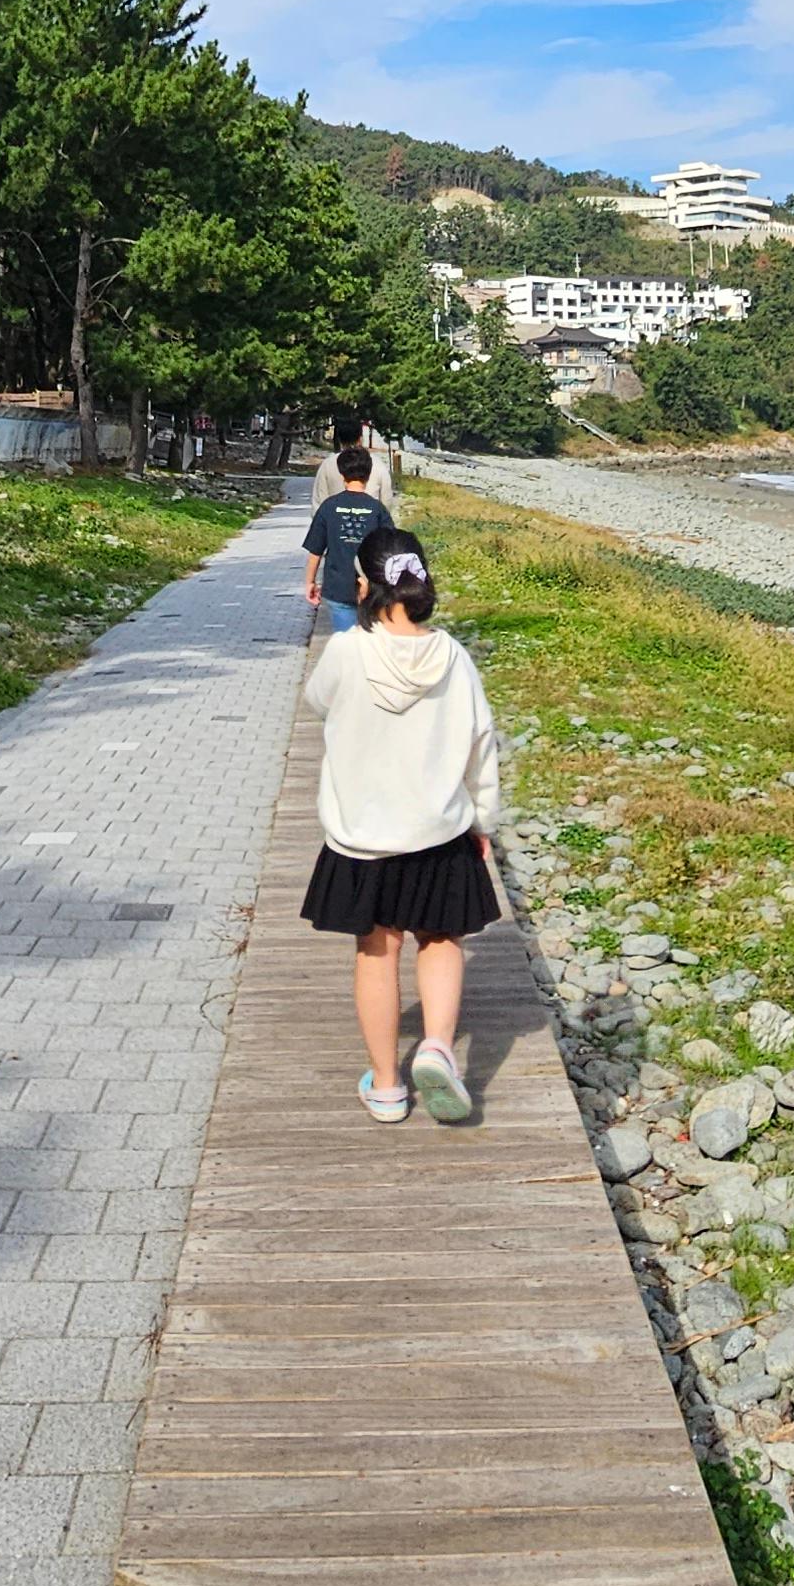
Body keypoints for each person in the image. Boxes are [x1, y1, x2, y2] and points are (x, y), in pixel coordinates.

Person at [301, 520, 499, 1124]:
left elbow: (318, 701)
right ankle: (437, 1047)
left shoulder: (346, 652)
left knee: (377, 951)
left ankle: (387, 1086)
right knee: (441, 941)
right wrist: (482, 818)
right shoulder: (453, 657)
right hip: (438, 831)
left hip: (365, 837)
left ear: (365, 586)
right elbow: (480, 743)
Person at [302, 441, 393, 633]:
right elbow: (389, 550)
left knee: (346, 642)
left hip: (337, 586)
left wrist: (310, 582)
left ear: (342, 474)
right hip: (371, 589)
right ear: (368, 475)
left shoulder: (329, 507)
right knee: (370, 643)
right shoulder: (377, 510)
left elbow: (315, 551)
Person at [309, 409, 395, 512]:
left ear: (339, 440)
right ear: (360, 438)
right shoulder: (377, 464)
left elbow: (319, 502)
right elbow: (386, 501)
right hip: (371, 524)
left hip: (336, 523)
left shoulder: (328, 465)